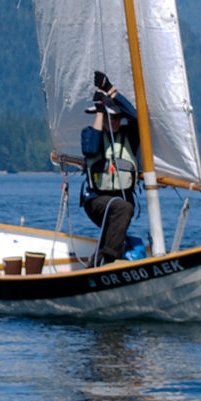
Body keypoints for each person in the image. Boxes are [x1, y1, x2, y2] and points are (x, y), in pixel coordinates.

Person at [79, 71, 139, 265]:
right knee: (121, 209)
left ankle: (97, 261)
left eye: (116, 118)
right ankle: (109, 260)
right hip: (96, 201)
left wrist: (111, 90)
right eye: (110, 118)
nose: (114, 122)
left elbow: (135, 117)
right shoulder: (89, 134)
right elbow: (91, 150)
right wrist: (99, 111)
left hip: (120, 201)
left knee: (121, 210)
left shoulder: (128, 136)